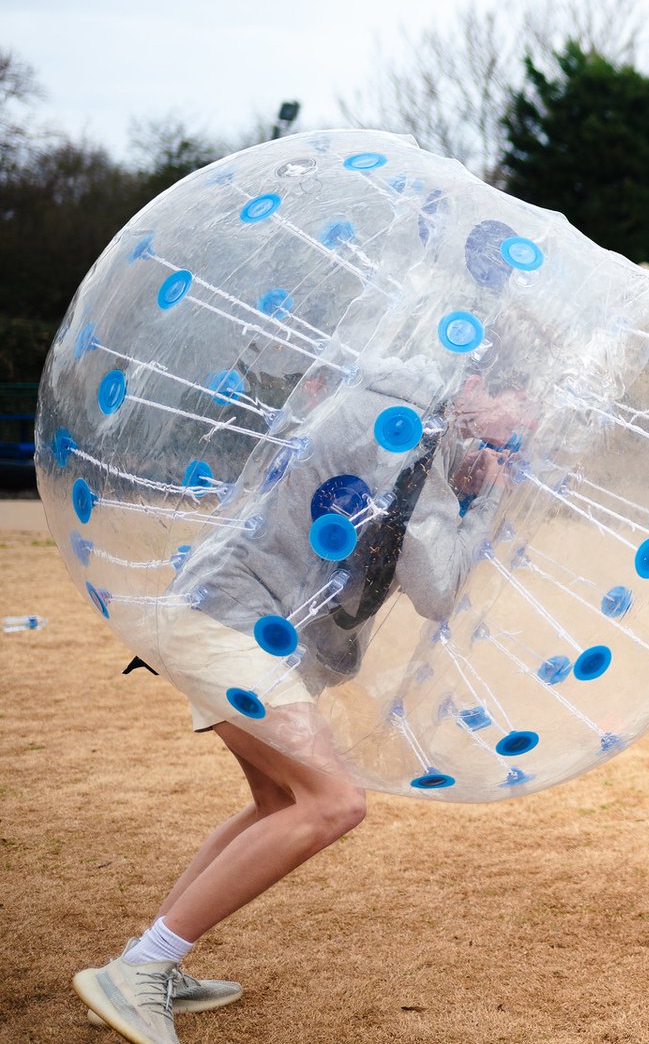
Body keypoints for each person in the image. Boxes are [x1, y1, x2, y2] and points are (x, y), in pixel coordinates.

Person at [72, 358, 525, 1044]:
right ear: (473, 380)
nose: (516, 432)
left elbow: (385, 529)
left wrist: (454, 489)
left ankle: (150, 963)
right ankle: (140, 969)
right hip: (232, 625)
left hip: (220, 614)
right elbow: (435, 588)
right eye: (515, 407)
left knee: (280, 802)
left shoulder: (386, 406)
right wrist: (489, 499)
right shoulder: (411, 438)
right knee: (334, 801)